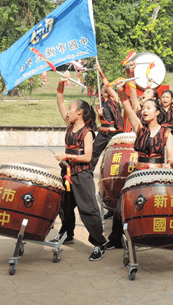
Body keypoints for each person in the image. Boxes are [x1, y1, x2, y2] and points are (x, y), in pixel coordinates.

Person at [106, 79, 173, 254]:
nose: (144, 111)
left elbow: (170, 156)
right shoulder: (140, 128)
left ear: (156, 112)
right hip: (138, 173)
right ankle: (115, 239)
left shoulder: (166, 133)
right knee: (121, 207)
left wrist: (169, 166)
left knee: (169, 208)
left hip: (158, 174)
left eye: (148, 108)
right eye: (143, 108)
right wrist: (121, 90)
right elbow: (128, 107)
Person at [51, 71, 108, 261]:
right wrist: (61, 82)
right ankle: (67, 233)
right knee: (65, 207)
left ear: (80, 113)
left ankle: (99, 243)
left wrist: (66, 155)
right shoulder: (69, 125)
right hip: (67, 173)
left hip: (81, 175)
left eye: (71, 108)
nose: (67, 111)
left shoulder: (87, 133)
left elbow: (88, 157)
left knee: (88, 209)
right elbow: (59, 100)